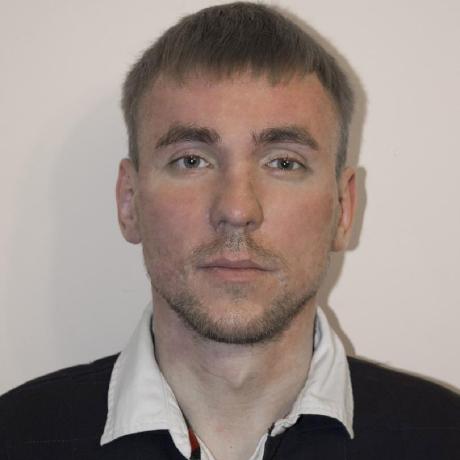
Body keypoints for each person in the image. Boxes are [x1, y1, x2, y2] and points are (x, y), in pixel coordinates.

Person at [1, 2, 459, 459]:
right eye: (191, 161)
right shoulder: (15, 438)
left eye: (284, 163)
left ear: (344, 208)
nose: (237, 209)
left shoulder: (445, 438)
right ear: (129, 201)